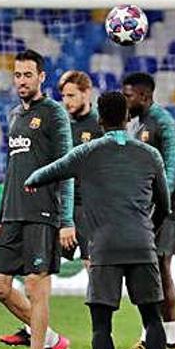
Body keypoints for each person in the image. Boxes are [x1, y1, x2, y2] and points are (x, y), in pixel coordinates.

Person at [24, 91, 175, 349]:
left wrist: (32, 180)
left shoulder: (87, 152)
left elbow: (48, 172)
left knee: (101, 325)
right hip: (142, 245)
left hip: (104, 247)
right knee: (151, 317)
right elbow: (165, 205)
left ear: (100, 119)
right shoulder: (150, 154)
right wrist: (146, 228)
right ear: (127, 118)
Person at [0, 49, 73, 349]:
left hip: (42, 213)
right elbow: (13, 170)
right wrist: (0, 215)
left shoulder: (54, 114)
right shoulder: (14, 116)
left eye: (28, 75)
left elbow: (67, 167)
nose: (22, 81)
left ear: (42, 77)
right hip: (12, 213)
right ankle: (51, 339)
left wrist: (66, 220)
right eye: (17, 75)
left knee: (36, 288)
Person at [120, 72, 175, 349]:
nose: (126, 100)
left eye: (129, 95)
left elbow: (171, 168)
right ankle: (169, 340)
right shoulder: (140, 123)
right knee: (156, 270)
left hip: (168, 209)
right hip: (151, 207)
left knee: (158, 269)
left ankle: (162, 340)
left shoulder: (163, 122)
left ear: (144, 96)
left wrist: (160, 205)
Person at [60, 70, 103, 268]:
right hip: (61, 206)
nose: (66, 101)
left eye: (71, 95)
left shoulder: (101, 125)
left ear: (86, 93)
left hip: (91, 207)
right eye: (63, 96)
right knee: (39, 269)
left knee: (93, 266)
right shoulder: (61, 124)